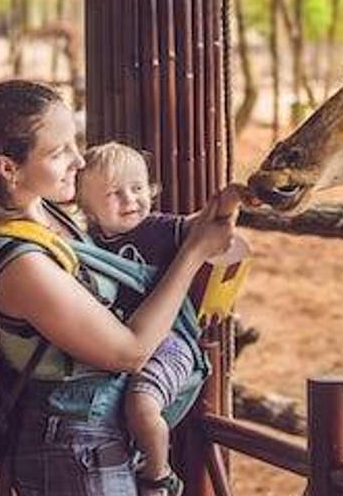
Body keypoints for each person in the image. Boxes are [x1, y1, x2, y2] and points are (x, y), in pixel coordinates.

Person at [0, 80, 240, 495]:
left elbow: (124, 239)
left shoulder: (45, 210)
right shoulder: (19, 263)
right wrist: (193, 253)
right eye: (58, 153)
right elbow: (128, 352)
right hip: (74, 450)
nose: (79, 161)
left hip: (99, 435)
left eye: (74, 142)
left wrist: (198, 224)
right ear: (8, 168)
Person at [76, 143, 215, 496]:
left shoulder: (156, 228)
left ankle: (159, 475)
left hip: (168, 341)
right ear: (86, 207)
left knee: (141, 405)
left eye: (138, 188)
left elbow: (201, 224)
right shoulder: (87, 245)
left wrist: (228, 199)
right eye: (114, 193)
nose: (130, 200)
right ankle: (138, 461)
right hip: (124, 344)